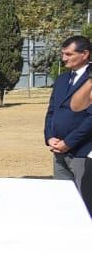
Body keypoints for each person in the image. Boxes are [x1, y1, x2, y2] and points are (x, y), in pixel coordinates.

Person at [44, 35, 92, 214]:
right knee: (62, 201)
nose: (64, 58)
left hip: (83, 153)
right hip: (58, 152)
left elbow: (90, 118)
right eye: (63, 54)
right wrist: (49, 137)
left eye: (69, 54)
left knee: (84, 203)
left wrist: (69, 142)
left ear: (84, 54)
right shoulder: (62, 79)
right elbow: (51, 111)